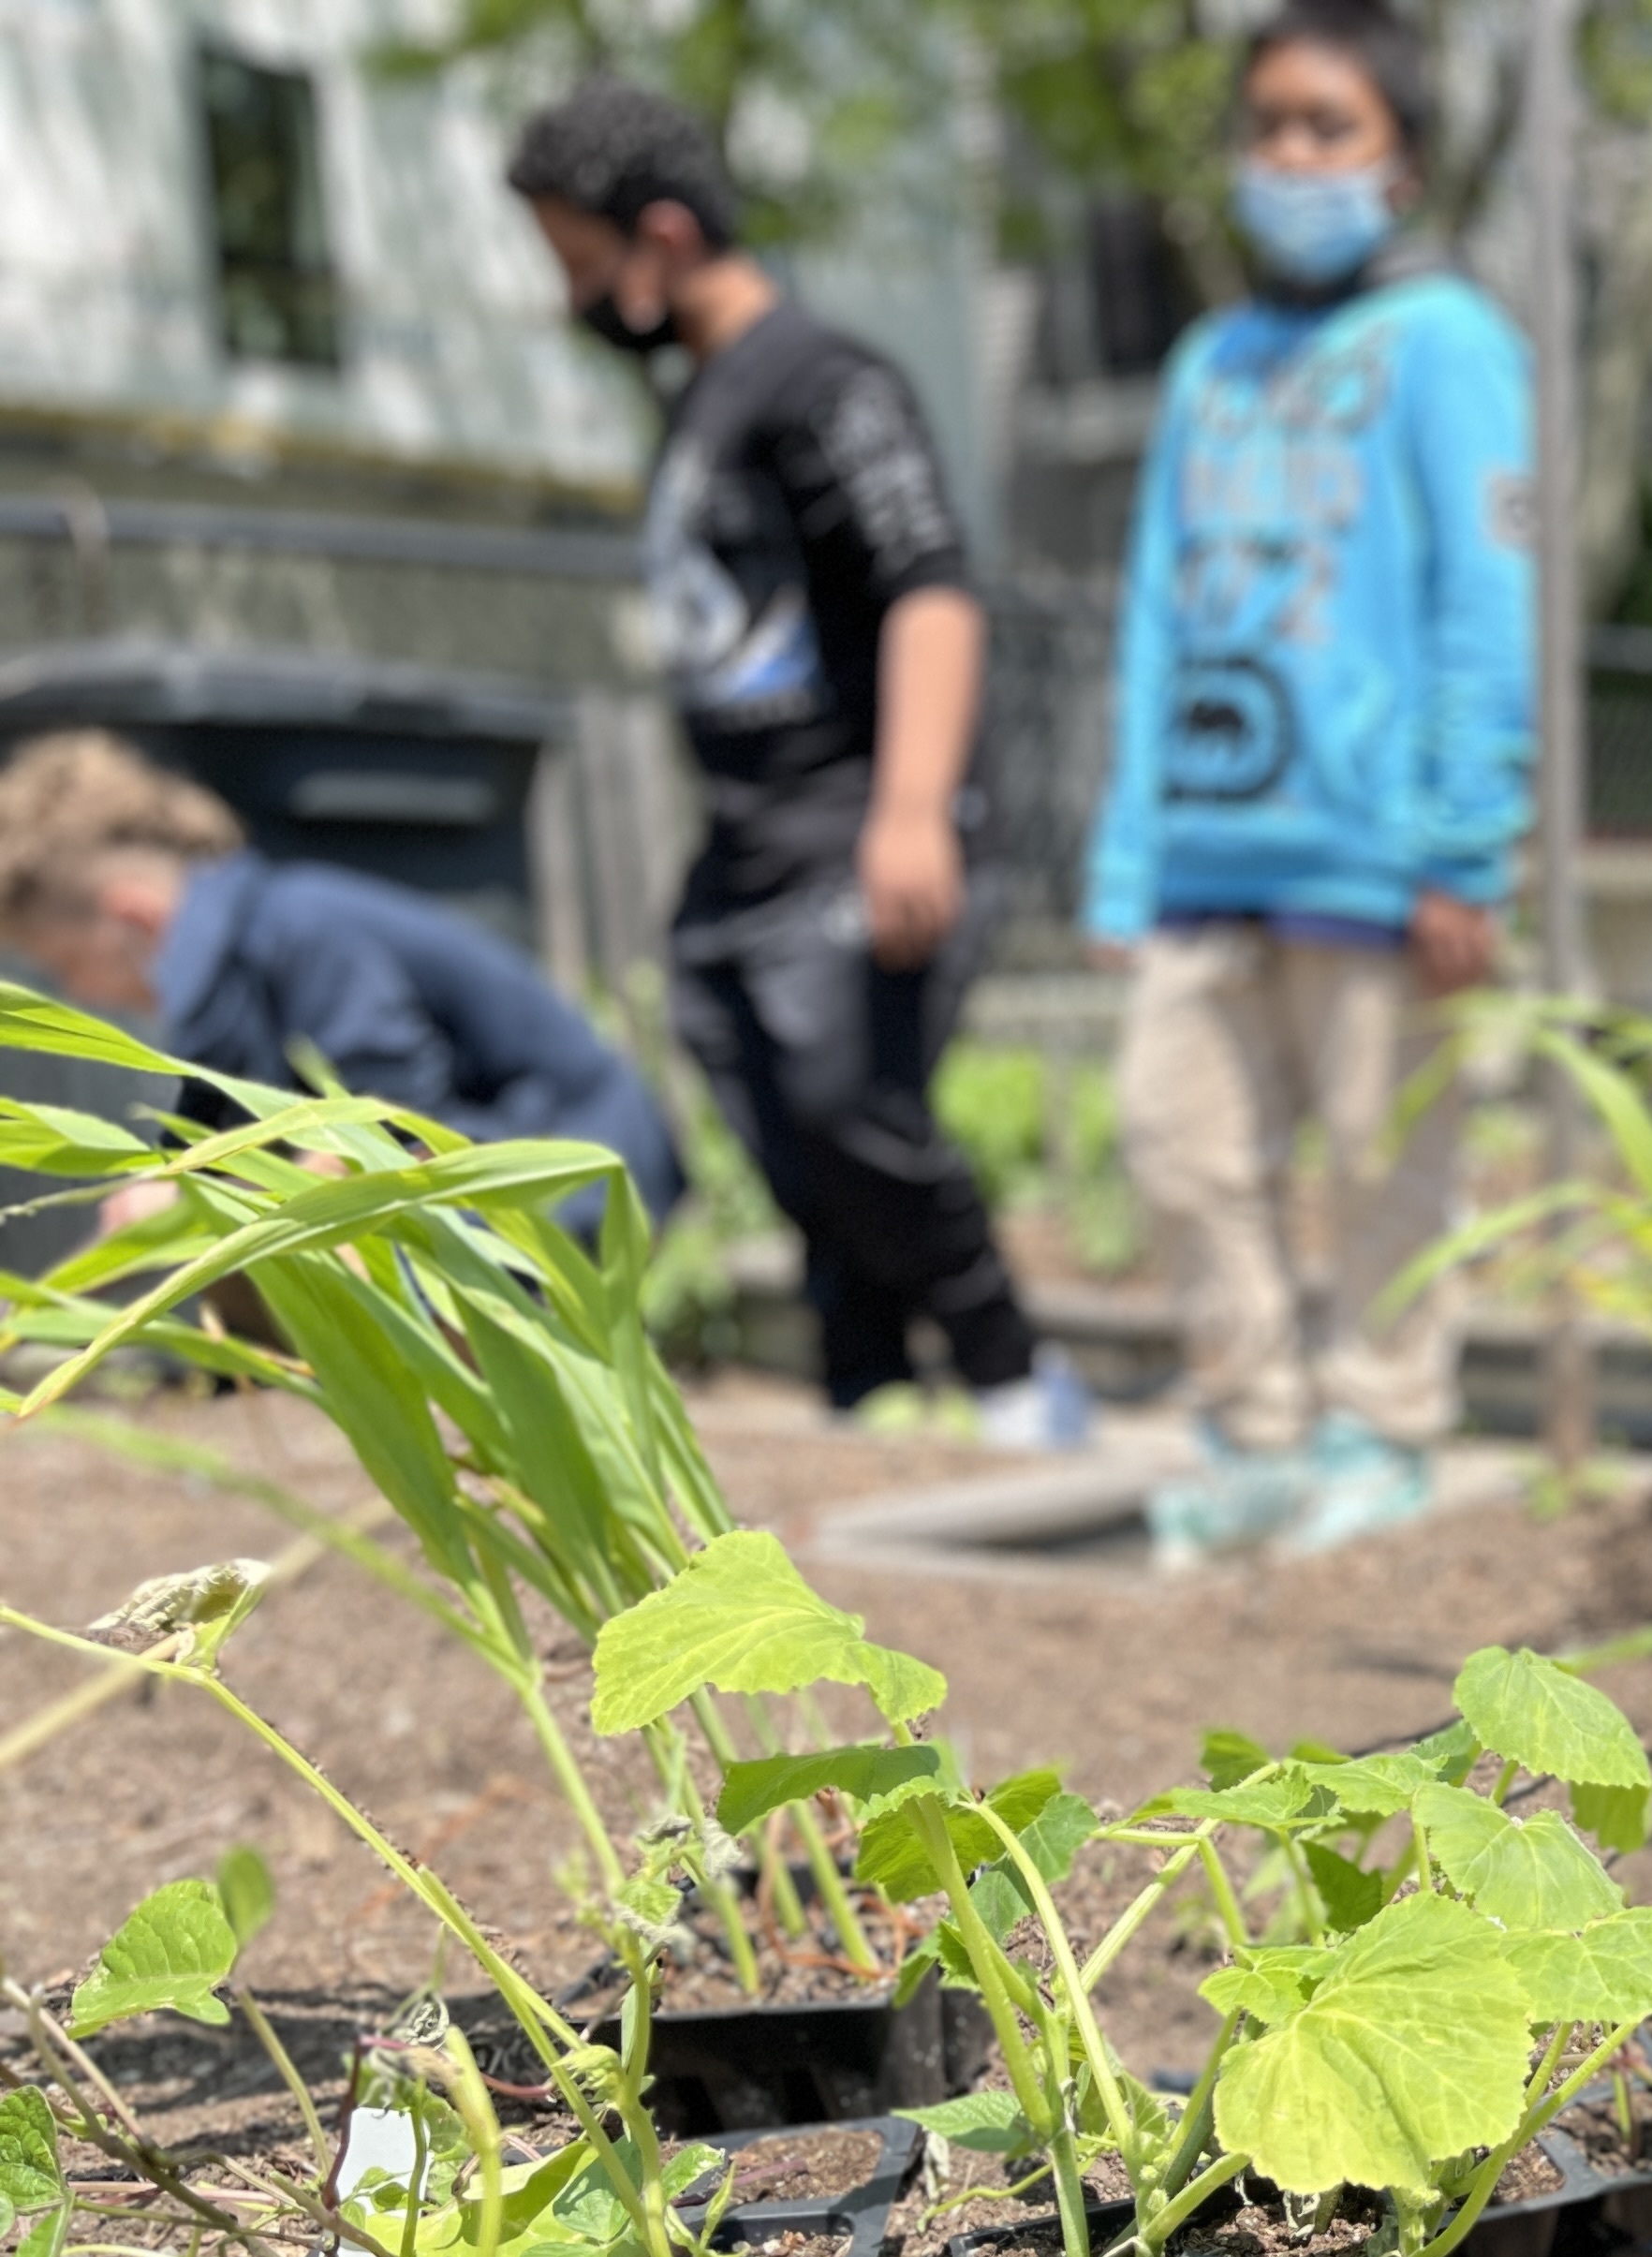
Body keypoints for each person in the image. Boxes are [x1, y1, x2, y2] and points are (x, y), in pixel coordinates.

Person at [508, 79, 1078, 1448]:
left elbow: (930, 587)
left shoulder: (827, 381)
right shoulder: (703, 398)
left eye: (580, 263)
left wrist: (912, 811)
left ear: (660, 234)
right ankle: (866, 1386)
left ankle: (1014, 1374)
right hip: (753, 832)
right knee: (756, 1087)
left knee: (848, 1096)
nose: (571, 294)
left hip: (857, 816)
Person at [1081, 0, 1532, 1562]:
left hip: (1379, 855)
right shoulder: (1210, 361)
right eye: (1267, 125)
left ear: (1399, 162)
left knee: (1386, 1156)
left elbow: (1488, 601)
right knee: (1180, 1146)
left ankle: (1383, 1426)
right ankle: (1255, 1430)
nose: (1288, 155)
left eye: (1326, 127)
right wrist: (1123, 857)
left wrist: (1467, 846)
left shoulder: (1449, 341)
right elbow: (1154, 609)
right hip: (1208, 851)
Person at [0, 730, 680, 1232]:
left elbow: (397, 1123)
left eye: (64, 965)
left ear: (133, 917)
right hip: (502, 1157)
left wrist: (213, 1202)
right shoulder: (232, 978)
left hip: (575, 1155)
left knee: (350, 1219)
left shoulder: (301, 927)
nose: (76, 992)